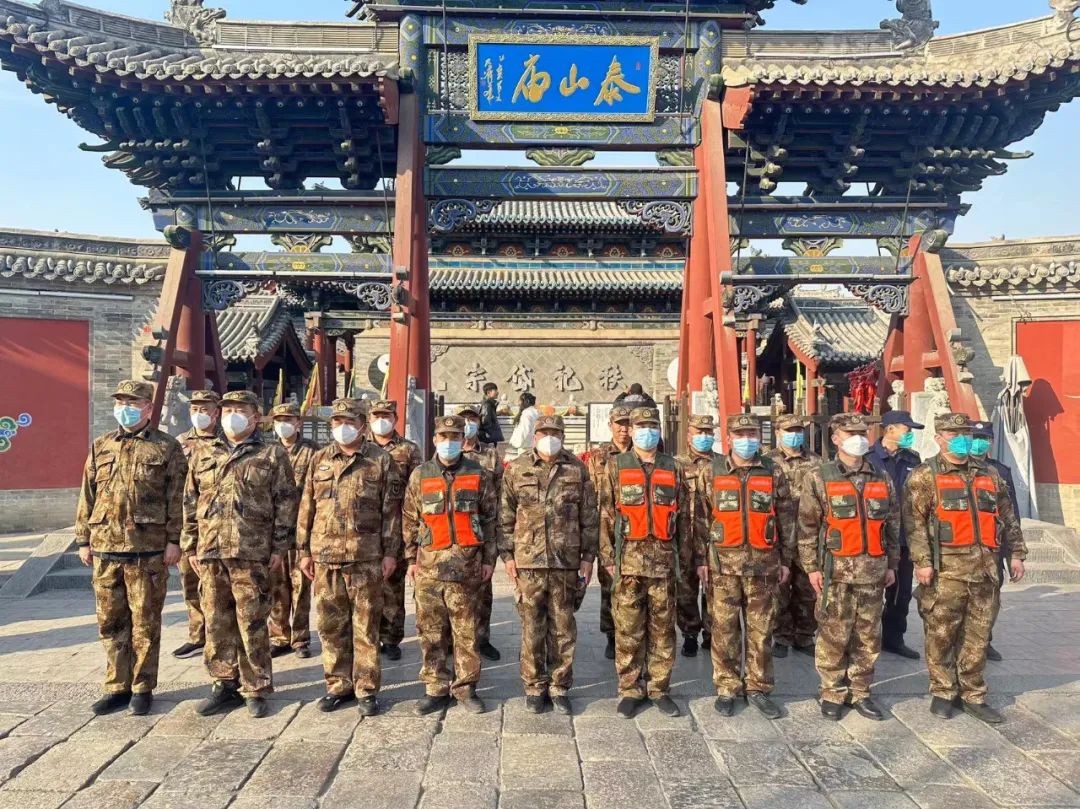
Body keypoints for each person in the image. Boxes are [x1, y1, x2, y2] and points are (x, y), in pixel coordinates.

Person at [181, 390, 299, 718]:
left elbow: (286, 503)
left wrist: (279, 547)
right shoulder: (204, 452)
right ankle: (223, 683)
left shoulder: (271, 454)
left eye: (240, 410)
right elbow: (190, 501)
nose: (233, 415)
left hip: (252, 551)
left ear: (255, 416)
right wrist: (190, 545)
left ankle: (255, 687)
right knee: (216, 620)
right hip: (211, 551)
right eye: (228, 409)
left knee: (252, 621)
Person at [905, 412, 1026, 724]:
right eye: (954, 434)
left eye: (966, 434)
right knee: (941, 634)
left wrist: (1016, 554)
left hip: (986, 572)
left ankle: (973, 693)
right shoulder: (924, 475)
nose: (963, 439)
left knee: (978, 636)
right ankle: (943, 690)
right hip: (946, 572)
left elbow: (1007, 516)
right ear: (939, 438)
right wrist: (922, 562)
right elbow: (914, 524)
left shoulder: (989, 474)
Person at [75, 380, 186, 716]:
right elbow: (87, 494)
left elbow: (178, 498)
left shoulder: (166, 447)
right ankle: (117, 686)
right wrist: (83, 539)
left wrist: (174, 540)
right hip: (105, 548)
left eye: (133, 403)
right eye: (121, 402)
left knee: (145, 624)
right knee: (110, 622)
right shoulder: (101, 445)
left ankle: (142, 687)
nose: (126, 408)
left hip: (147, 550)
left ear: (148, 408)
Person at [297, 398, 402, 715]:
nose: (342, 428)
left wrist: (391, 553)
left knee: (366, 627)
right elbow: (307, 507)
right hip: (325, 556)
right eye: (337, 422)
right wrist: (303, 551)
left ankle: (366, 688)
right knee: (331, 626)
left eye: (349, 422)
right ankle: (338, 685)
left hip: (365, 557)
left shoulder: (380, 460)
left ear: (362, 425)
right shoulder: (319, 459)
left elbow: (391, 512)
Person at [798, 413, 900, 721]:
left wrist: (892, 563)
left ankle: (861, 691)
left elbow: (892, 524)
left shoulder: (881, 476)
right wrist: (811, 567)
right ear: (836, 439)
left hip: (873, 569)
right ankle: (832, 691)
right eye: (851, 433)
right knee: (833, 633)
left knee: (868, 635)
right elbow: (807, 526)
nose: (858, 438)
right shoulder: (819, 477)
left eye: (863, 433)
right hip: (835, 571)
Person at [693, 414, 795, 720]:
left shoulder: (773, 471)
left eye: (752, 434)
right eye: (740, 434)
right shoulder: (711, 471)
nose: (746, 439)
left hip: (764, 565)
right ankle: (727, 687)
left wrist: (786, 560)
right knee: (724, 629)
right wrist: (700, 560)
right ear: (729, 439)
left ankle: (758, 687)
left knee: (761, 630)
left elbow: (786, 517)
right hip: (722, 565)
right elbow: (700, 519)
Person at [499, 415, 598, 715]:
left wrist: (588, 557)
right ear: (535, 436)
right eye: (544, 432)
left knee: (563, 627)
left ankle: (559, 685)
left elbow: (589, 516)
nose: (549, 437)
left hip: (565, 561)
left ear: (563, 436)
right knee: (532, 627)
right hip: (528, 562)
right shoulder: (517, 469)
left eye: (555, 432)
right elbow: (505, 516)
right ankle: (534, 686)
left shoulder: (577, 469)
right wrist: (507, 556)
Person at [402, 415, 499, 715]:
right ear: (435, 440)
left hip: (466, 567)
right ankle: (435, 688)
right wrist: (410, 560)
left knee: (466, 632)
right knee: (431, 632)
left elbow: (490, 519)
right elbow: (409, 519)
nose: (449, 442)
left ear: (463, 439)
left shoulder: (478, 474)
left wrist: (489, 560)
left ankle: (466, 688)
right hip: (429, 568)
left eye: (455, 437)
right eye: (443, 437)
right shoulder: (420, 475)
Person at [600, 406, 689, 719]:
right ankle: (630, 689)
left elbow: (684, 518)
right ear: (632, 430)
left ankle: (659, 688)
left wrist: (684, 561)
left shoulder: (673, 467)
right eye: (640, 427)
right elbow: (605, 514)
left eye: (652, 426)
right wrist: (608, 558)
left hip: (664, 563)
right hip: (628, 563)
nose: (646, 432)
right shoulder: (616, 466)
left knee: (663, 630)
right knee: (628, 630)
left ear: (659, 430)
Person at [368, 399, 423, 661]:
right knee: (366, 586)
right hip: (365, 528)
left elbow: (417, 490)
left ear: (395, 418)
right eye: (376, 416)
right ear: (369, 419)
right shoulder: (361, 447)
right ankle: (367, 636)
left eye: (386, 416)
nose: (381, 420)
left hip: (398, 526)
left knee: (393, 586)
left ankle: (391, 638)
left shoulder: (409, 450)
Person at [765, 414, 822, 658]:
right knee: (779, 589)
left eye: (798, 430)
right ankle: (781, 635)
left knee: (807, 589)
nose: (794, 434)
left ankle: (804, 635)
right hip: (778, 533)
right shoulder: (768, 462)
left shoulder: (816, 461)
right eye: (789, 430)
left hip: (808, 533)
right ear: (778, 432)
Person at [869, 410, 924, 660]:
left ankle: (893, 638)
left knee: (900, 593)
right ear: (890, 429)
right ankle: (866, 640)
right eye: (907, 429)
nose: (910, 434)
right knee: (869, 592)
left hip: (902, 536)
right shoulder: (869, 458)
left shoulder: (912, 459)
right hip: (873, 535)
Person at [267, 403, 319, 659]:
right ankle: (279, 636)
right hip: (274, 530)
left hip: (301, 530)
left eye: (288, 419)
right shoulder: (267, 451)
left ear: (298, 423)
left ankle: (300, 638)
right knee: (276, 586)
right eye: (279, 420)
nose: (283, 424)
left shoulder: (313, 452)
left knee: (301, 588)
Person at [173, 389, 221, 660]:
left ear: (216, 412)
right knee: (190, 583)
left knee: (216, 587)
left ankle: (218, 636)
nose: (199, 414)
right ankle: (197, 634)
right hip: (188, 525)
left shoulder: (226, 442)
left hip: (217, 525)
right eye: (194, 409)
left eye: (205, 409)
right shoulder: (180, 443)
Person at [585, 404, 633, 661]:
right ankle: (611, 635)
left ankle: (631, 634)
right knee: (609, 584)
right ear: (610, 426)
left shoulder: (641, 454)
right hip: (605, 525)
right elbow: (589, 492)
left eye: (627, 424)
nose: (624, 429)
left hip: (634, 525)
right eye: (619, 424)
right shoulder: (599, 456)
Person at [456, 404, 504, 661]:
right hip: (454, 530)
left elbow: (502, 492)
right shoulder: (444, 452)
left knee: (483, 589)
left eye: (472, 418)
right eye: (463, 419)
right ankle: (455, 641)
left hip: (484, 528)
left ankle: (482, 638)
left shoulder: (490, 455)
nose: (467, 424)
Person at [971, 420, 1020, 662]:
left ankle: (985, 641)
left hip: (994, 546)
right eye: (975, 438)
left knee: (991, 598)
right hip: (964, 545)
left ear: (991, 442)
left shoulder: (1000, 471)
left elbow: (1011, 515)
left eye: (984, 439)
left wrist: (1015, 554)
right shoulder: (957, 469)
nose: (980, 443)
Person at [674, 414, 716, 657]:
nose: (704, 436)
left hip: (713, 537)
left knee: (714, 588)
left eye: (708, 432)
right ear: (688, 435)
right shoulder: (676, 465)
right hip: (685, 536)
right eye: (699, 432)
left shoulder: (722, 465)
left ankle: (711, 633)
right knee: (686, 589)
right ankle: (689, 634)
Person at [478, 382, 504, 447]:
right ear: (488, 392)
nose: (497, 392)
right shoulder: (487, 405)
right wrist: (491, 436)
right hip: (489, 439)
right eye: (495, 390)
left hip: (490, 438)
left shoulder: (490, 404)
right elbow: (485, 421)